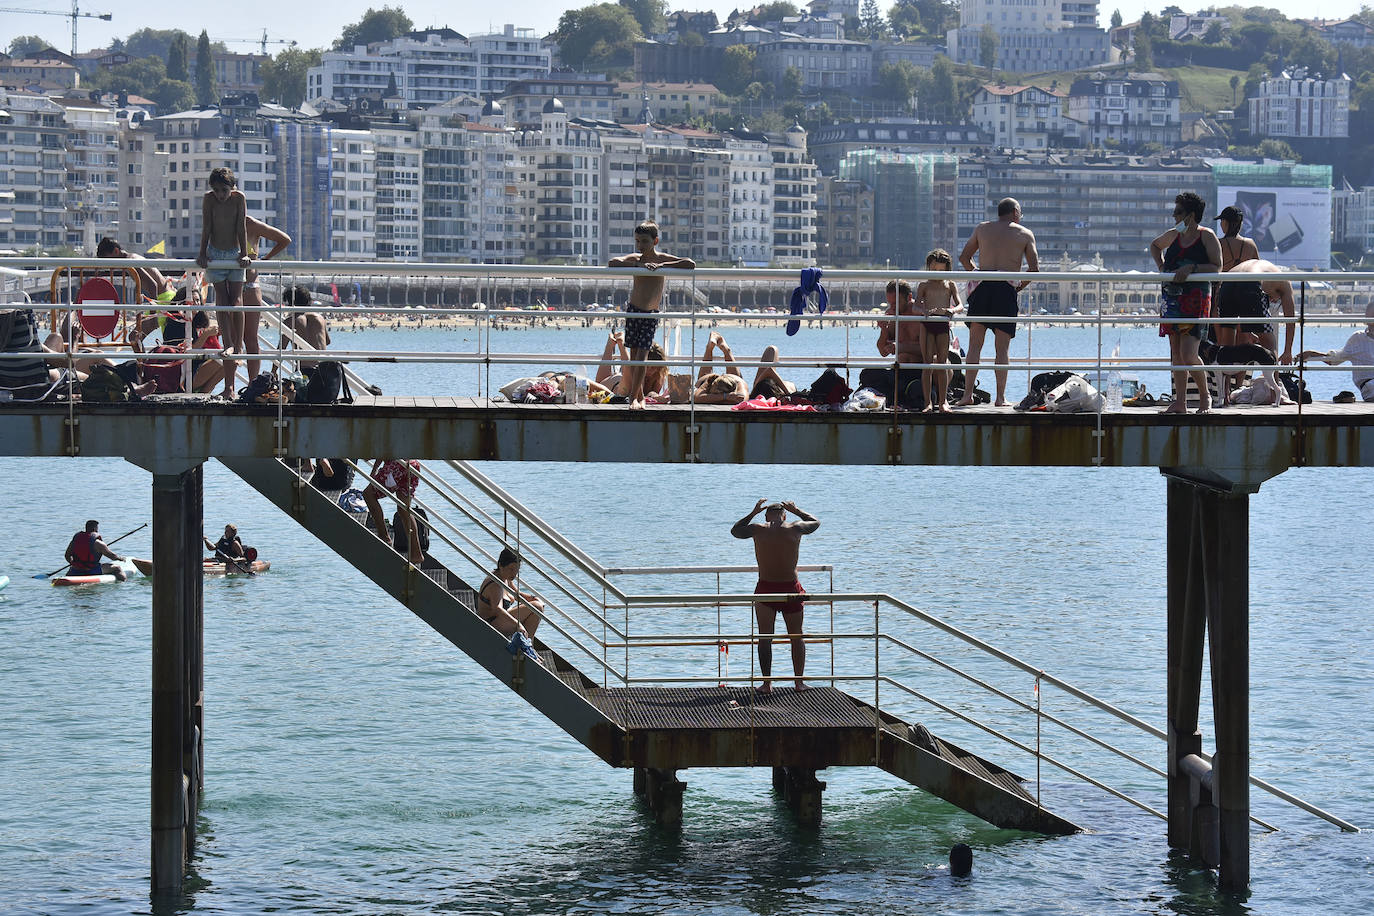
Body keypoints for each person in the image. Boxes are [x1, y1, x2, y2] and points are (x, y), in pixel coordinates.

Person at [730, 499, 821, 693]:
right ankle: (799, 683)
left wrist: (752, 513)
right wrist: (797, 510)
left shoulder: (757, 528)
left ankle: (766, 684)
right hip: (790, 588)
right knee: (797, 636)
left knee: (765, 637)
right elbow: (815, 522)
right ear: (785, 515)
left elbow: (736, 530)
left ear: (765, 515)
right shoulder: (796, 527)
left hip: (766, 587)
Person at [957, 197, 1040, 407]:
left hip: (983, 286)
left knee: (975, 345)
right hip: (1005, 289)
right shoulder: (1024, 234)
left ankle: (967, 395)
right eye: (1020, 213)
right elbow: (1034, 270)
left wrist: (977, 274)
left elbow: (964, 258)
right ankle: (1000, 398)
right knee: (1002, 349)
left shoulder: (982, 229)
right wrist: (1019, 286)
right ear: (1015, 212)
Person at [607, 220, 696, 409]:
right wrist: (637, 265)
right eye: (637, 241)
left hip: (650, 313)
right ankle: (638, 396)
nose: (640, 245)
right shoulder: (636, 258)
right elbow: (613, 262)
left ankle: (634, 397)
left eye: (644, 241)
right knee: (634, 356)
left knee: (642, 356)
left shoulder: (660, 258)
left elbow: (690, 263)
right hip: (633, 311)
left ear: (655, 241)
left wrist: (662, 266)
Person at [1150, 191, 1222, 414]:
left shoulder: (1207, 236)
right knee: (1176, 352)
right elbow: (1154, 245)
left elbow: (1217, 267)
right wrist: (1162, 268)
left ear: (1190, 215)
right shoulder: (1174, 235)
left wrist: (1192, 268)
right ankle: (1179, 401)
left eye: (1178, 212)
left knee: (1189, 353)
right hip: (1172, 298)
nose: (1174, 216)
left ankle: (1205, 396)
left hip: (1196, 299)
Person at [196, 166, 251, 399]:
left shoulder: (239, 199)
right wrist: (201, 254)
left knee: (236, 299)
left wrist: (245, 253)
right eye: (217, 190)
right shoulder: (209, 200)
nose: (220, 194)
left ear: (232, 187)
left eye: (224, 190)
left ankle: (237, 344)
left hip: (234, 252)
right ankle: (228, 342)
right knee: (221, 298)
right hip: (215, 253)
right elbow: (206, 226)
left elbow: (241, 226)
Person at [240, 216, 292, 379]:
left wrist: (265, 259)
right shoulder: (223, 221)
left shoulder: (251, 224)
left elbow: (284, 240)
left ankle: (253, 383)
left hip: (249, 286)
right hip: (228, 286)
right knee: (233, 340)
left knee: (250, 339)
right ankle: (231, 387)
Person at [1222, 259, 1296, 364]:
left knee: (1229, 346)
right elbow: (1291, 320)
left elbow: (1241, 312)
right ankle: (1274, 379)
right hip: (1251, 281)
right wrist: (1287, 351)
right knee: (1270, 342)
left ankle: (1229, 381)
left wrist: (1248, 332)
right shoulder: (1285, 284)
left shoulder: (1268, 271)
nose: (1271, 300)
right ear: (1279, 293)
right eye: (1274, 300)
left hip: (1227, 280)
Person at [916, 248, 962, 413]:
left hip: (943, 323)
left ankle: (943, 402)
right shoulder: (924, 285)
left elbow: (960, 305)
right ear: (929, 268)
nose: (937, 273)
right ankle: (927, 402)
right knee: (927, 364)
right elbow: (916, 305)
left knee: (942, 364)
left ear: (947, 269)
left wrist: (953, 311)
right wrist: (923, 311)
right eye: (934, 270)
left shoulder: (950, 285)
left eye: (941, 270)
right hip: (927, 324)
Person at [1299, 302, 1374, 401]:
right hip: (1369, 386)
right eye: (1370, 320)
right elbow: (1334, 360)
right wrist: (1312, 354)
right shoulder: (1358, 338)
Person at [364, 458, 423, 565]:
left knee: (368, 494)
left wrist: (374, 468)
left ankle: (384, 537)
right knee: (404, 508)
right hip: (412, 464)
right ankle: (416, 554)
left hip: (396, 465)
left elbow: (382, 449)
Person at [477, 547, 544, 638]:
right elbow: (497, 609)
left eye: (517, 569)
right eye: (511, 569)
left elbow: (517, 594)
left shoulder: (505, 577)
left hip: (500, 621)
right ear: (501, 565)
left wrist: (533, 598)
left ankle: (527, 644)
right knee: (536, 607)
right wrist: (518, 624)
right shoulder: (495, 584)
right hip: (489, 625)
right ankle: (527, 645)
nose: (514, 573)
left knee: (537, 605)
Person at [876, 279, 923, 404]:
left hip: (921, 370)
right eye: (890, 303)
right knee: (868, 375)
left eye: (896, 303)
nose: (893, 307)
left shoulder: (920, 313)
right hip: (900, 371)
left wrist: (901, 347)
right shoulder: (890, 313)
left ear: (909, 297)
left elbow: (931, 351)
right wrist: (884, 330)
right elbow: (883, 352)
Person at [96, 237, 173, 302]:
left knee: (145, 320)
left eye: (109, 260)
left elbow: (153, 285)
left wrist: (153, 312)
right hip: (165, 295)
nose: (109, 265)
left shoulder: (131, 262)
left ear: (116, 251)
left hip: (165, 298)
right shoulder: (130, 259)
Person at [279, 286, 331, 373]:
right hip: (323, 369)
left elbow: (281, 349)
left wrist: (273, 372)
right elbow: (328, 341)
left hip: (304, 369)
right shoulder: (320, 318)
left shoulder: (290, 322)